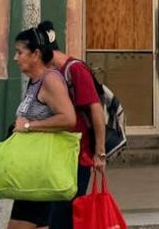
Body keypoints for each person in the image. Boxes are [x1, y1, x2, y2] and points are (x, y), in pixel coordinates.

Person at [7, 24, 78, 229]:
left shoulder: (50, 80)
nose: (15, 58)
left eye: (20, 52)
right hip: (31, 172)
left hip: (40, 173)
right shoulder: (35, 81)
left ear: (36, 54)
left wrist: (29, 125)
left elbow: (68, 118)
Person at [36, 20, 106, 229]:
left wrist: (99, 153)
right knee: (58, 218)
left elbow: (96, 110)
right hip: (61, 157)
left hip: (78, 157)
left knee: (63, 218)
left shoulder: (75, 70)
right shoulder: (54, 74)